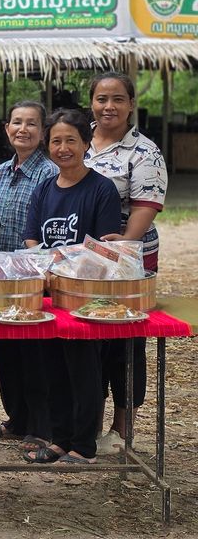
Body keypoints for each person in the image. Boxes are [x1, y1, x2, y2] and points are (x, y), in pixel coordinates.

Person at [23, 108, 122, 464]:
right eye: (56, 141)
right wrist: (51, 262)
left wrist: (68, 260)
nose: (63, 148)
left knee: (84, 371)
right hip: (51, 297)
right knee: (54, 369)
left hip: (86, 300)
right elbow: (32, 239)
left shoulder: (101, 189)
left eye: (71, 141)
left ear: (85, 143)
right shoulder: (44, 188)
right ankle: (60, 439)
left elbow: (106, 249)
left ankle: (84, 445)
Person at [84, 72, 168, 455]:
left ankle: (121, 428)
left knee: (123, 342)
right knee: (87, 340)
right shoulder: (77, 142)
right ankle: (87, 423)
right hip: (83, 262)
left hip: (126, 263)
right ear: (92, 103)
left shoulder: (144, 152)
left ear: (131, 104)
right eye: (102, 99)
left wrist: (125, 246)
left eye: (118, 99)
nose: (109, 107)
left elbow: (146, 205)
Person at [0, 101, 58, 452]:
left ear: (43, 132)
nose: (23, 129)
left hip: (34, 278)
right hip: (1, 276)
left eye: (32, 124)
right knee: (6, 351)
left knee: (35, 354)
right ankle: (17, 419)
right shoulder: (0, 172)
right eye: (17, 122)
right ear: (6, 128)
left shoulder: (50, 173)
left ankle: (42, 426)